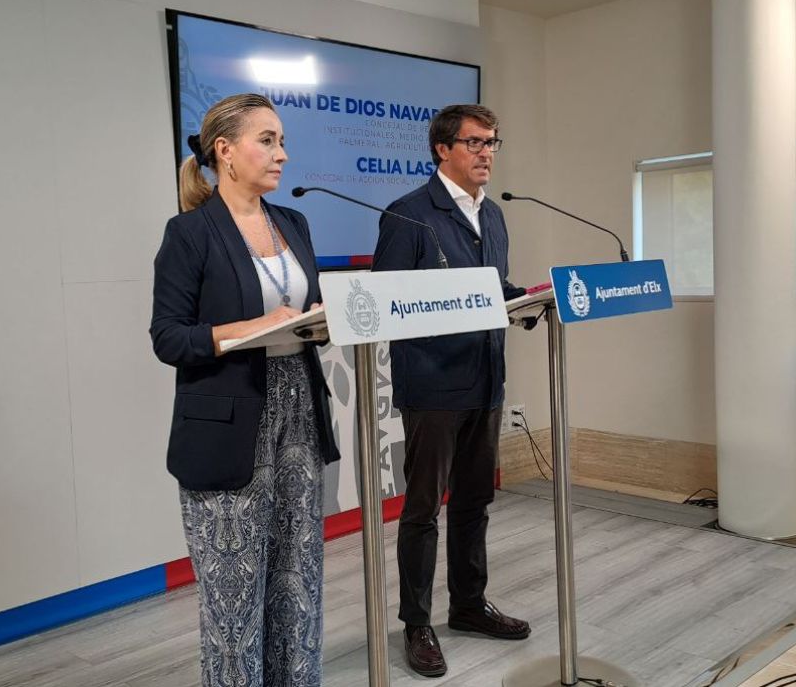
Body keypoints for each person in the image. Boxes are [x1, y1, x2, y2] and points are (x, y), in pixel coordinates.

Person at [150, 93, 339, 687]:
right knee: (233, 599)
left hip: (299, 407)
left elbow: (304, 310)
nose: (282, 154)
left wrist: (326, 319)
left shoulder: (294, 223)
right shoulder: (189, 233)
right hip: (228, 423)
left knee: (297, 577)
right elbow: (168, 337)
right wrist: (249, 329)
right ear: (225, 151)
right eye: (268, 140)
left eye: (283, 142)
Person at [372, 104, 529, 678]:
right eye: (475, 143)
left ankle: (468, 605)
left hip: (486, 380)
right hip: (434, 384)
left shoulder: (494, 215)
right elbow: (388, 300)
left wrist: (525, 299)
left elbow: (491, 288)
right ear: (443, 149)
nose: (487, 153)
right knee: (422, 509)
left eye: (493, 142)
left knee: (474, 502)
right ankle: (416, 622)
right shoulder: (409, 215)